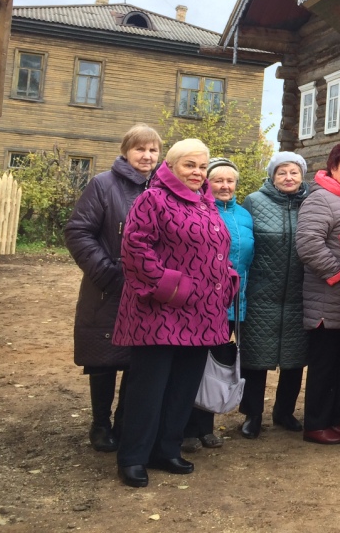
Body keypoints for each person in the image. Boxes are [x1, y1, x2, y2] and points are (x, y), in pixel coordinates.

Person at [112, 139, 238, 488]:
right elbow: (135, 247)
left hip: (202, 314)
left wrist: (228, 278)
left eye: (203, 167)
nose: (198, 173)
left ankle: (166, 449)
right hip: (160, 312)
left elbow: (216, 251)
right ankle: (134, 456)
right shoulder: (153, 199)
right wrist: (171, 288)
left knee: (183, 387)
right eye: (190, 166)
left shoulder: (206, 203)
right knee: (148, 388)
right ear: (171, 166)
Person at [65, 123, 162, 453]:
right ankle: (100, 423)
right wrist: (108, 273)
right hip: (108, 287)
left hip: (150, 293)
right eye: (139, 149)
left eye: (153, 150)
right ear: (125, 152)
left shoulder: (165, 188)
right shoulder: (103, 185)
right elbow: (79, 232)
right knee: (105, 360)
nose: (146, 156)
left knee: (141, 361)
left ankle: (125, 422)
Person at [295, 142, 340, 445]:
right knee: (324, 363)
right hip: (327, 297)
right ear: (333, 167)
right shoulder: (321, 198)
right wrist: (339, 276)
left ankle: (332, 421)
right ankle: (315, 424)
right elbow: (308, 244)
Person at [182, 157, 255, 452]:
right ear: (206, 183)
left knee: (216, 366)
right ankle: (186, 427)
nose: (225, 186)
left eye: (230, 181)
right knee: (193, 365)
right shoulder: (200, 210)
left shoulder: (244, 215)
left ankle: (205, 426)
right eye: (218, 181)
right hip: (202, 303)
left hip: (235, 303)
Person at [238, 152, 310, 438]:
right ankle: (252, 415)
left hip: (299, 294)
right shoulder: (254, 202)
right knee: (255, 359)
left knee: (294, 361)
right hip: (260, 293)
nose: (288, 178)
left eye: (294, 172)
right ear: (272, 175)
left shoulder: (311, 202)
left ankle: (284, 412)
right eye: (282, 172)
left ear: (302, 175)